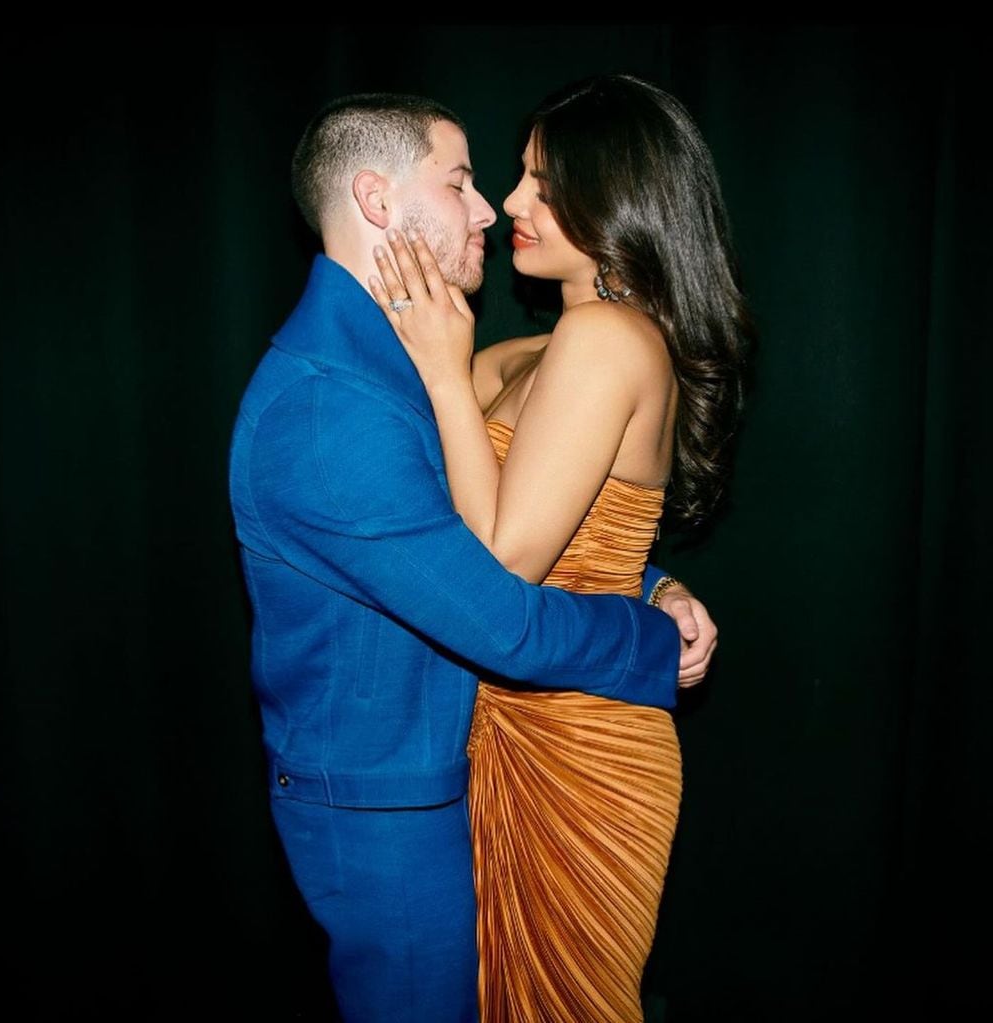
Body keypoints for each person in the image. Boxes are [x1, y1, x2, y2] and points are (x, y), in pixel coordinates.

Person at [228, 92, 718, 1023]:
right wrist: (649, 630)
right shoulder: (338, 402)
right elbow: (495, 596)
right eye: (463, 180)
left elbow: (504, 524)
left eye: (538, 176)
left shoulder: (420, 356)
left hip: (535, 750)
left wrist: (652, 573)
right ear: (379, 202)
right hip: (396, 798)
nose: (498, 202)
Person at [369, 75, 749, 1022]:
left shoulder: (605, 337)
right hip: (509, 724)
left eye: (541, 181)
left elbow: (500, 571)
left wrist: (444, 377)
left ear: (613, 195)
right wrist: (656, 582)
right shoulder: (540, 350)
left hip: (578, 745)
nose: (510, 204)